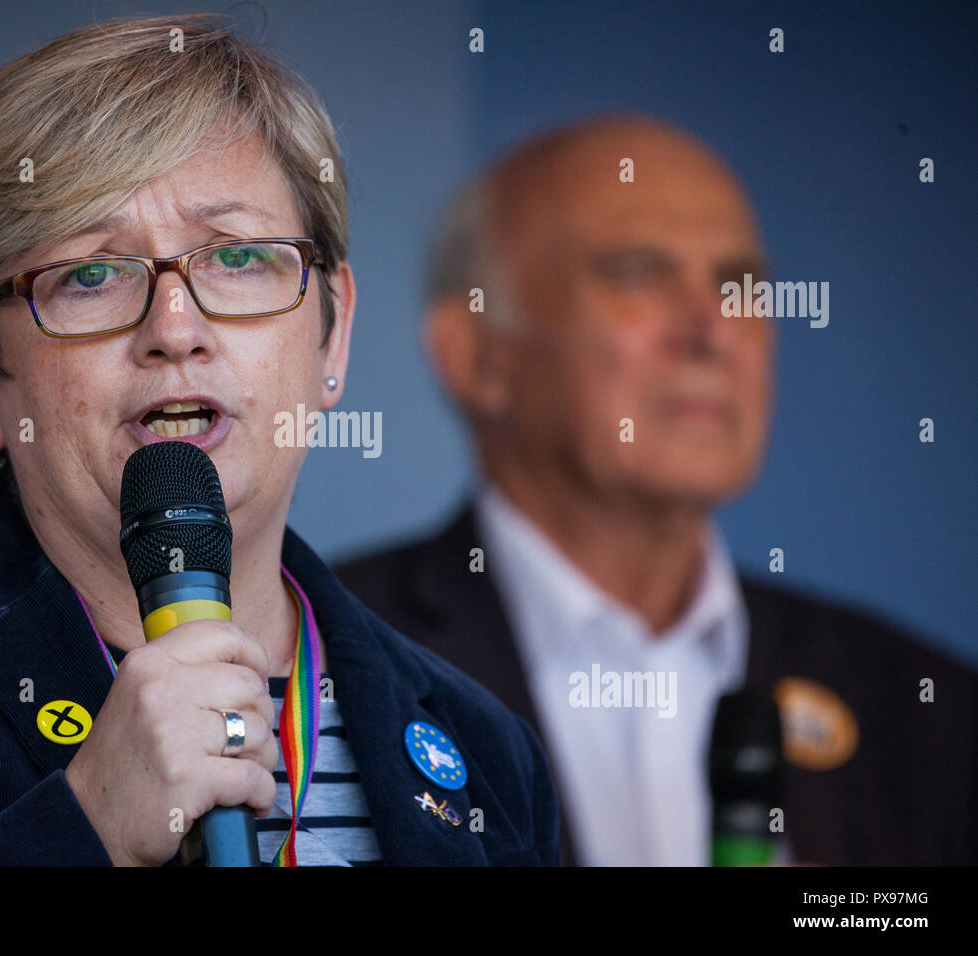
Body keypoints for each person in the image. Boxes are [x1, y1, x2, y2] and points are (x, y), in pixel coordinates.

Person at [0, 14, 558, 867]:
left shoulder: (485, 750)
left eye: (238, 259)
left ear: (332, 336)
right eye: (91, 275)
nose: (175, 328)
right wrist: (82, 832)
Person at [335, 115, 978, 866]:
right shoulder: (332, 666)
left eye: (739, 286)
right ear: (478, 353)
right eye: (637, 273)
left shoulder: (927, 709)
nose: (713, 329)